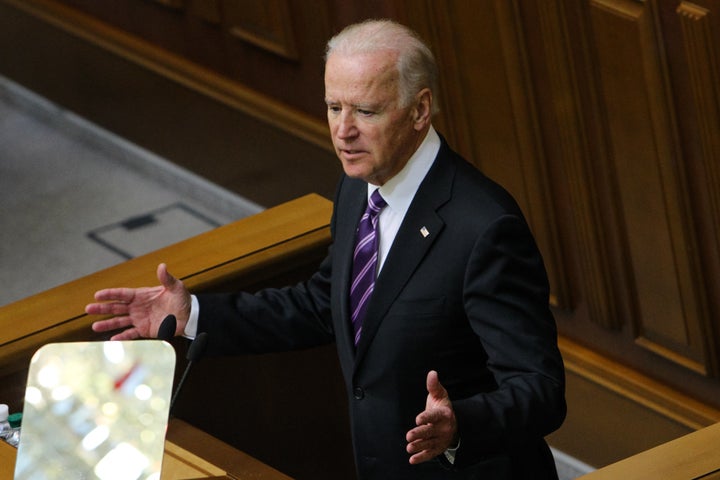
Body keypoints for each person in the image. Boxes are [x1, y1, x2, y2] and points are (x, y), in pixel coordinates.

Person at [86, 19, 566, 480]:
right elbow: (324, 303)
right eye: (334, 107)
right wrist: (192, 313)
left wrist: (461, 423)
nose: (343, 130)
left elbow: (540, 390)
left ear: (420, 110)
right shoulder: (358, 188)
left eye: (366, 111)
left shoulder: (484, 227)